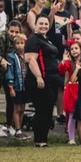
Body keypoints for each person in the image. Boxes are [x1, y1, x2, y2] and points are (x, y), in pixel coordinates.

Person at [24, 14, 61, 147]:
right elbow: (30, 59)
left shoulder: (46, 39)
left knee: (48, 110)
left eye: (46, 24)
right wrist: (39, 77)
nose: (44, 26)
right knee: (42, 110)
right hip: (41, 80)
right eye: (41, 24)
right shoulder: (33, 39)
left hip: (52, 80)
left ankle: (43, 139)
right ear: (35, 25)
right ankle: (40, 140)